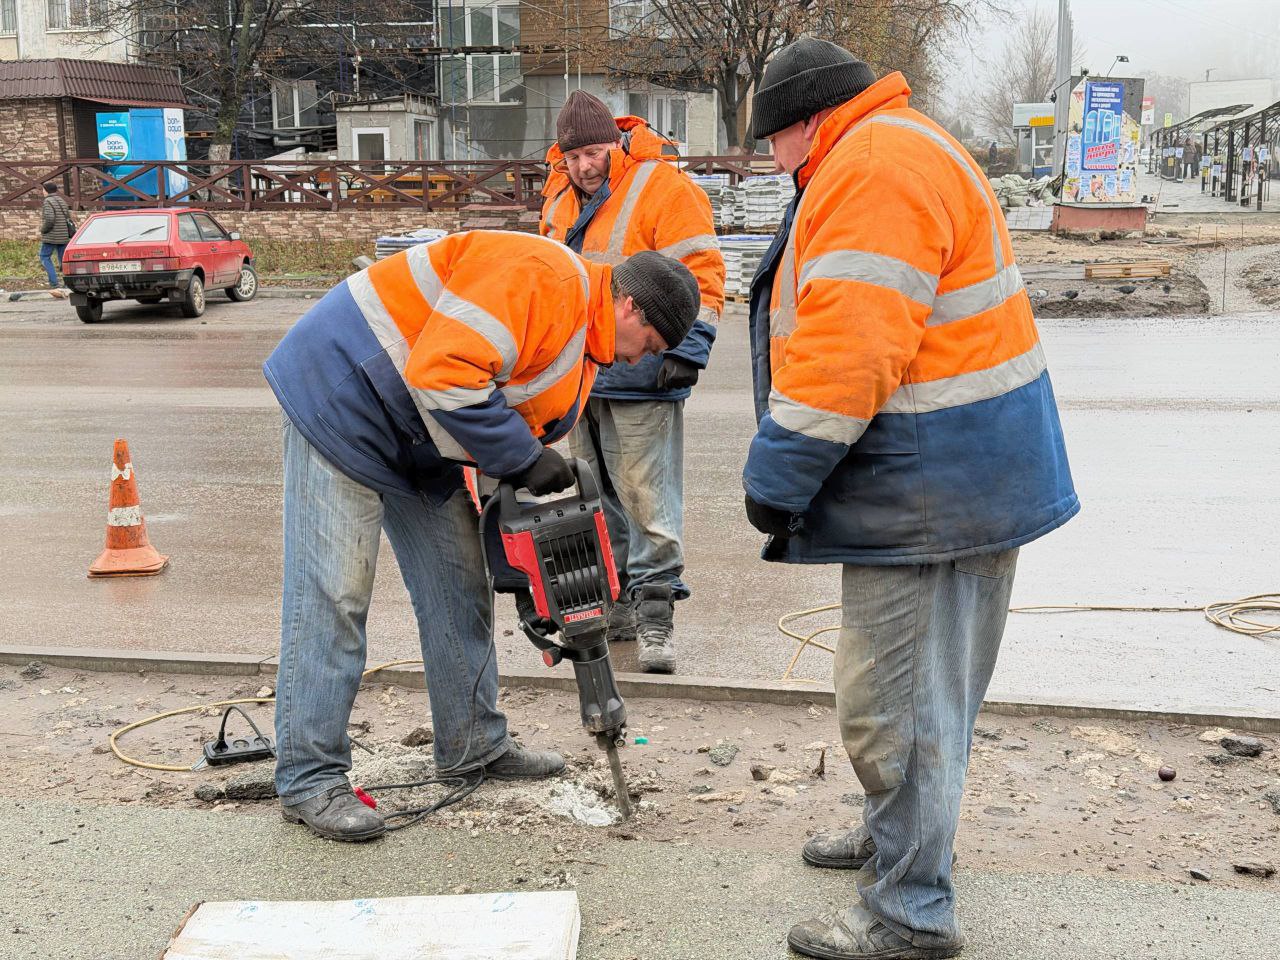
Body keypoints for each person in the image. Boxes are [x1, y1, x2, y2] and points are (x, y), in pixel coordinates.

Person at [742, 39, 1078, 960]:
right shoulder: (894, 145)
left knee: (894, 706)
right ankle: (902, 842)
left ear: (804, 120)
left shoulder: (872, 167)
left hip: (935, 488)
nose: (772, 162)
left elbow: (849, 350)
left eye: (771, 142)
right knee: (924, 696)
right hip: (954, 477)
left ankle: (909, 913)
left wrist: (777, 474)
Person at [263, 231, 699, 841]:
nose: (637, 361)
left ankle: (473, 744)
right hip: (344, 399)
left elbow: (490, 428)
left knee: (461, 583)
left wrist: (514, 557)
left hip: (417, 437)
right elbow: (442, 372)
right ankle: (310, 777)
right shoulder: (545, 277)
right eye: (647, 345)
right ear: (630, 307)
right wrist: (526, 458)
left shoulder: (582, 352)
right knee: (334, 596)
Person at [541, 91, 725, 674]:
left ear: (615, 144)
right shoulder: (557, 198)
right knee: (596, 498)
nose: (583, 168)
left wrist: (690, 347)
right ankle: (617, 605)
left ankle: (655, 621)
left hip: (645, 373)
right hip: (582, 373)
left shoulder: (663, 188)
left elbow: (701, 271)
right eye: (572, 159)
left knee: (648, 500)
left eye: (592, 154)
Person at [39, 182, 74, 296]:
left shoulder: (48, 201)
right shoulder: (61, 200)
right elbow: (68, 217)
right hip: (63, 235)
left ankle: (54, 283)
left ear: (46, 190)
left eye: (43, 190)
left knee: (44, 257)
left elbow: (49, 219)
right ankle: (67, 284)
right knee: (63, 260)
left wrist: (43, 230)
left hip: (51, 236)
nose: (42, 192)